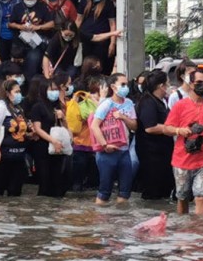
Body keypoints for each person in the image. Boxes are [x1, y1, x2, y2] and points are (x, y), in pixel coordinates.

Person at [164, 66, 203, 215]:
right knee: (182, 198)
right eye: (199, 82)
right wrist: (179, 130)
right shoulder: (180, 106)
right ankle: (184, 229)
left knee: (202, 198)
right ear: (191, 83)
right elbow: (166, 128)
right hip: (182, 161)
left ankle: (200, 232)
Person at [89, 73, 137, 206]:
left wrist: (123, 117)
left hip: (124, 151)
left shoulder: (129, 103)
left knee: (125, 192)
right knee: (104, 192)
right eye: (122, 84)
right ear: (113, 87)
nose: (125, 87)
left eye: (126, 84)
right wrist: (105, 145)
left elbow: (134, 126)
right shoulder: (106, 104)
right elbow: (94, 126)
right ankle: (101, 222)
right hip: (106, 153)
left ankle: (120, 222)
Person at [0, 77, 30, 196]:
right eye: (16, 92)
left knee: (15, 193)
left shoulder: (17, 108)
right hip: (2, 157)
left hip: (18, 158)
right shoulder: (0, 107)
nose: (19, 94)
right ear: (8, 93)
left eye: (20, 91)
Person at [134, 69, 175, 201]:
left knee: (165, 186)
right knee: (153, 189)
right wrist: (174, 129)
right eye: (167, 84)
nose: (169, 87)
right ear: (161, 86)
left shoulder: (161, 101)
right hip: (151, 153)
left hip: (163, 151)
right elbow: (150, 127)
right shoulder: (148, 101)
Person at [25, 76, 69, 197]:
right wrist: (52, 140)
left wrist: (63, 118)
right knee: (45, 181)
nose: (54, 92)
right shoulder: (38, 107)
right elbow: (38, 129)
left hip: (57, 148)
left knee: (58, 180)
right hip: (42, 147)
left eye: (55, 89)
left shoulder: (57, 106)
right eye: (51, 89)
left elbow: (65, 127)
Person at [9, 0, 53, 79]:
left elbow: (51, 23)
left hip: (35, 43)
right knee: (15, 70)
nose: (29, 1)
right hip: (20, 43)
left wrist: (38, 27)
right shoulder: (18, 7)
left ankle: (31, 88)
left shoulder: (42, 7)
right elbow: (10, 23)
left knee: (32, 64)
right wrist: (20, 27)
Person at [77, 0, 121, 76]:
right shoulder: (84, 1)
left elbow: (112, 24)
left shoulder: (108, 3)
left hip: (103, 39)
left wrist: (112, 43)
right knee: (86, 64)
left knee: (100, 64)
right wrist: (74, 35)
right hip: (86, 37)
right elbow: (78, 20)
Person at [66, 75, 102, 192]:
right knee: (79, 184)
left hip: (92, 147)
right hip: (81, 146)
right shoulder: (81, 106)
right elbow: (95, 116)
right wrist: (95, 102)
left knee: (90, 184)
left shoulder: (75, 104)